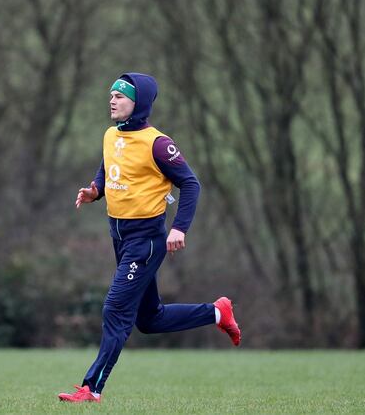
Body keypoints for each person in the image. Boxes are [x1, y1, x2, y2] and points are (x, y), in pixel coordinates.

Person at [58, 73, 241, 403]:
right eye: (111, 94)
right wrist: (95, 190)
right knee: (149, 319)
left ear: (138, 104)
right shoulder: (110, 135)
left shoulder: (158, 143)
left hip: (147, 240)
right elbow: (109, 165)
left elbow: (191, 184)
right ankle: (217, 313)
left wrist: (179, 228)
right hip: (120, 236)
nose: (112, 100)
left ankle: (91, 388)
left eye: (120, 96)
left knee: (115, 309)